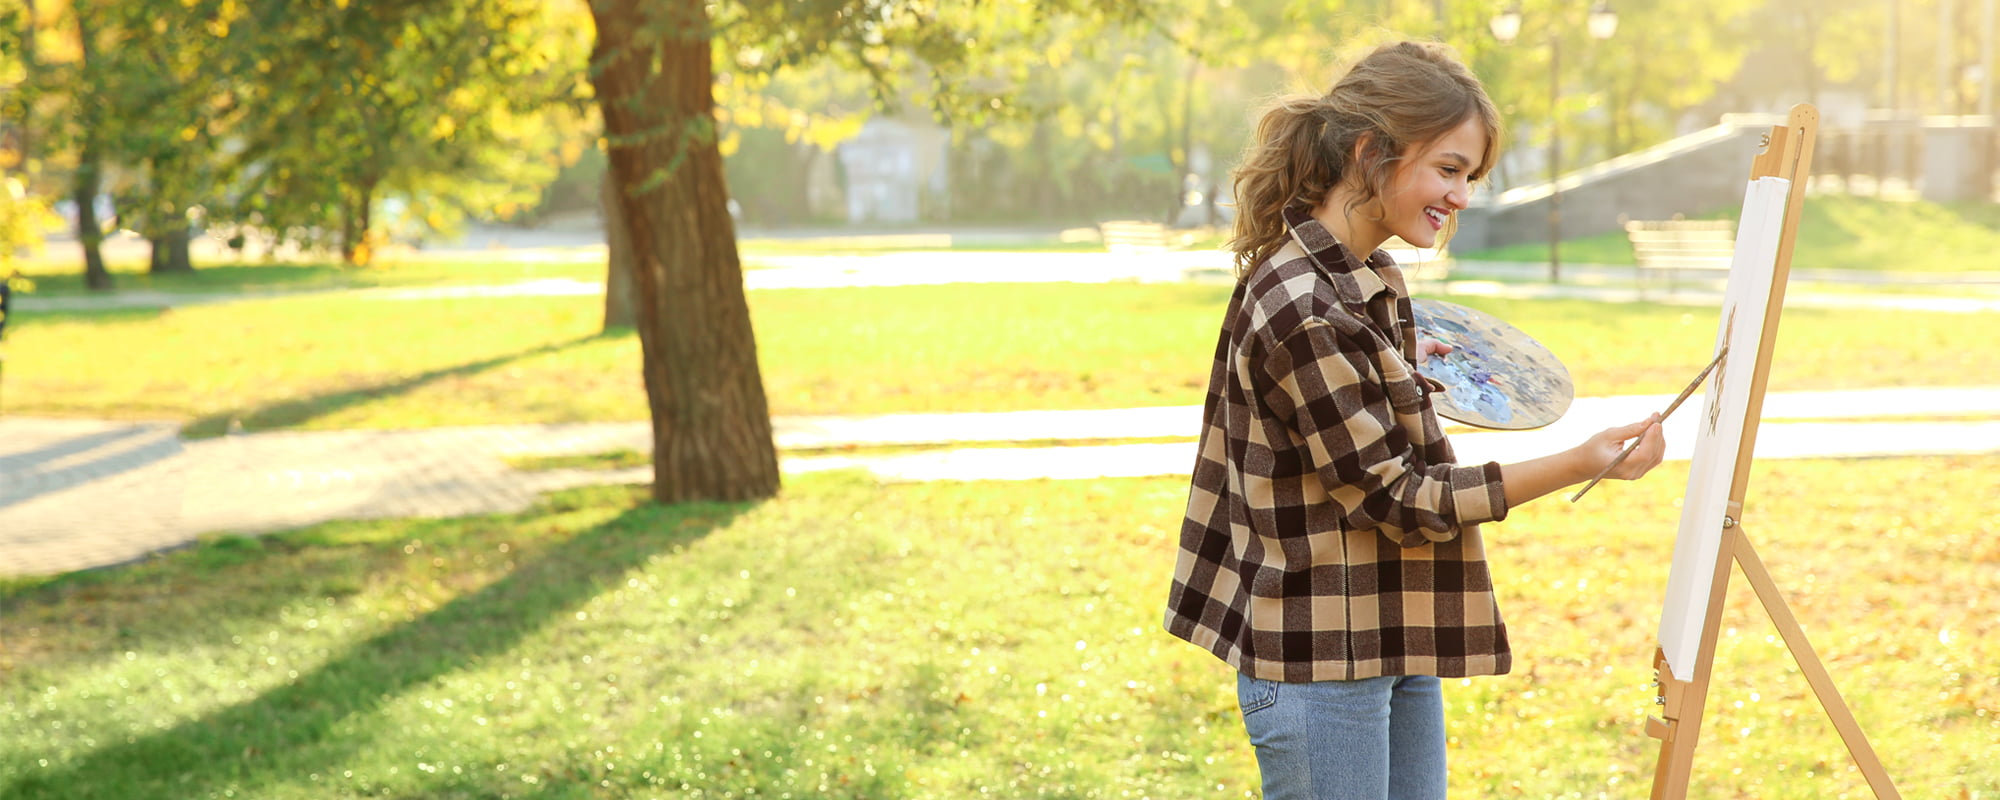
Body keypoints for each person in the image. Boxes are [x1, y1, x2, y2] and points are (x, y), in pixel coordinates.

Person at [1162, 40, 1667, 800]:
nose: (1462, 197)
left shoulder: (1364, 281)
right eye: (1449, 169)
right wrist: (1578, 460)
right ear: (1372, 153)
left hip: (1387, 636)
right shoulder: (1304, 306)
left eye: (1469, 177)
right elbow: (1398, 499)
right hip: (1319, 668)